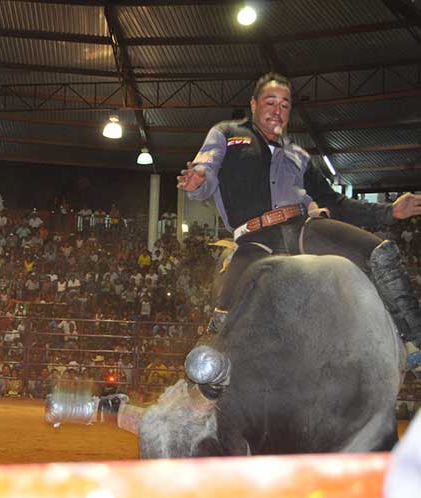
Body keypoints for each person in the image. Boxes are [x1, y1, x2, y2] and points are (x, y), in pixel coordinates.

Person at [178, 72, 421, 363]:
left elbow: (336, 201)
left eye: (285, 105)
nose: (277, 111)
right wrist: (197, 183)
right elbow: (205, 169)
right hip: (255, 241)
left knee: (382, 253)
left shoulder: (298, 155)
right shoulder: (227, 134)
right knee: (221, 324)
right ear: (253, 104)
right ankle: (204, 391)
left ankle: (414, 345)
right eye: (270, 102)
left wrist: (390, 211)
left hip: (302, 228)